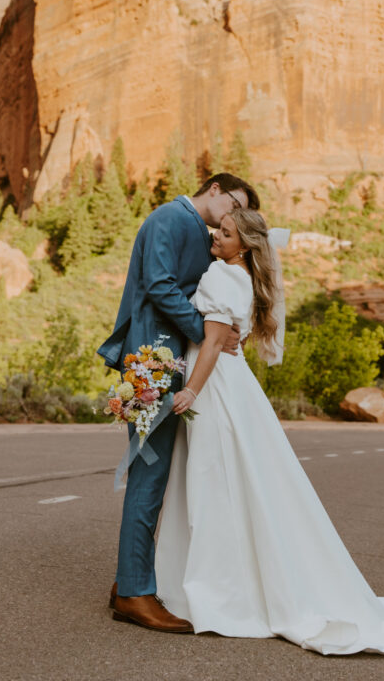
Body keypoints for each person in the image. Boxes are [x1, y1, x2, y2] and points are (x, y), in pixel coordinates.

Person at [154, 208, 384, 658]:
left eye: (225, 233)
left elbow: (216, 341)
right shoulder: (238, 276)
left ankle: (214, 587)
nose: (215, 237)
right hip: (235, 387)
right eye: (218, 230)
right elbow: (222, 328)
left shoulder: (222, 276)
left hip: (216, 388)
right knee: (234, 484)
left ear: (245, 246)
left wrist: (192, 392)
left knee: (212, 481)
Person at [97, 173, 260, 633]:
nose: (231, 216)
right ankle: (133, 593)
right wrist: (207, 332)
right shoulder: (169, 218)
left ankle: (129, 580)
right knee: (149, 474)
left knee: (159, 474)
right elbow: (159, 286)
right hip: (154, 360)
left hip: (171, 360)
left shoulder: (196, 230)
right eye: (233, 203)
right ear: (213, 189)